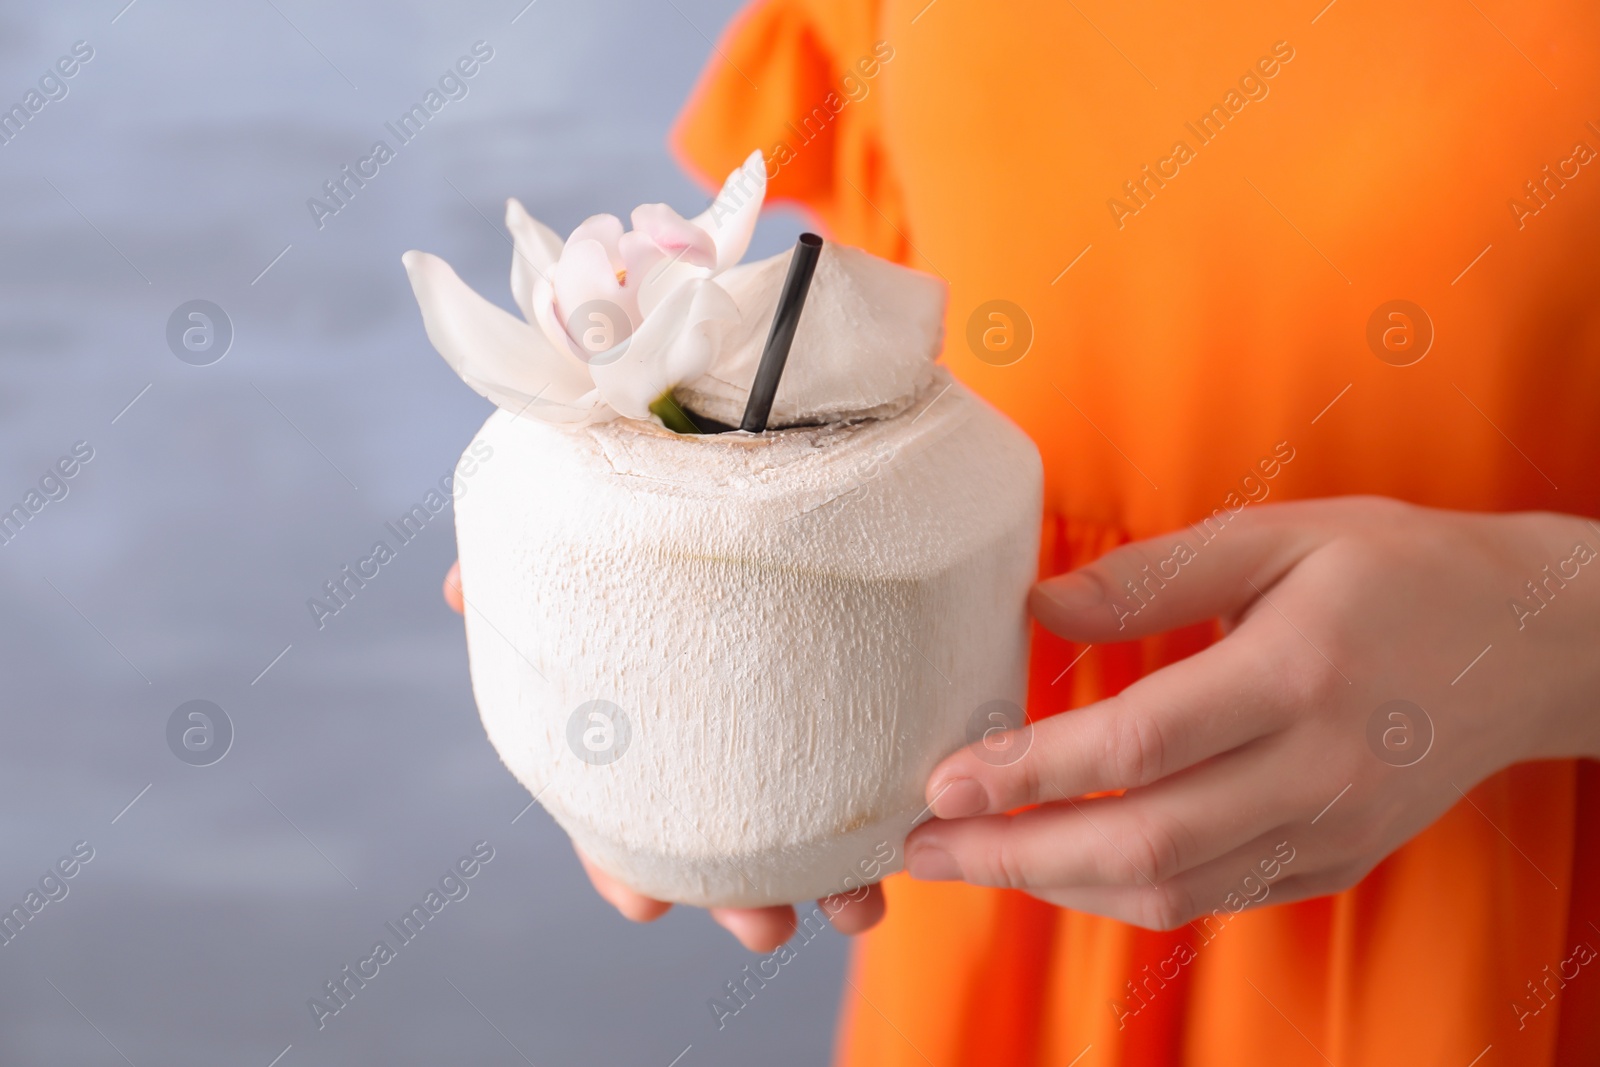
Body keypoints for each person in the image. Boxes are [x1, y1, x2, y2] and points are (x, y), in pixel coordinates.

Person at [449, 0, 1600, 1060]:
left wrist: (1546, 639)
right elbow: (842, 334)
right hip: (990, 875)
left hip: (1502, 880)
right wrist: (665, 569)